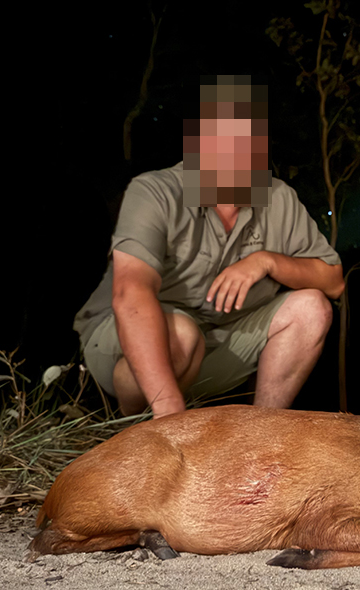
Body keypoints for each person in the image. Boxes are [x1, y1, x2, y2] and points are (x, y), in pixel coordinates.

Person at [73, 75, 344, 418]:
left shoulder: (279, 197)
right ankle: (128, 425)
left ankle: (260, 431)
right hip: (130, 346)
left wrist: (267, 261)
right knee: (183, 335)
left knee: (312, 308)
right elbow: (131, 295)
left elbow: (334, 282)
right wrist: (170, 410)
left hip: (219, 345)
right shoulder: (155, 191)